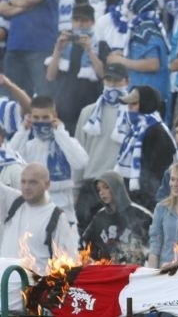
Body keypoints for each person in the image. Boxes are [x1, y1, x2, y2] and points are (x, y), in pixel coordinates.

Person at [9, 96, 88, 225]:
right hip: (33, 215)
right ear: (30, 118)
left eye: (45, 117)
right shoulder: (28, 146)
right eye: (36, 118)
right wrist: (22, 132)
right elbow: (9, 160)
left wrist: (61, 133)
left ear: (54, 116)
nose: (41, 121)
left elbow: (80, 163)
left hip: (63, 215)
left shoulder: (67, 143)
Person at [0, 0, 59, 97]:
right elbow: (2, 8)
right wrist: (23, 6)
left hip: (40, 47)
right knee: (10, 98)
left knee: (43, 96)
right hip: (14, 47)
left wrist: (15, 3)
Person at [74, 63, 129, 233]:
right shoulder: (88, 112)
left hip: (119, 185)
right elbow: (77, 152)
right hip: (91, 184)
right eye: (108, 79)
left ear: (126, 81)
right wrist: (75, 189)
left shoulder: (132, 114)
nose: (112, 84)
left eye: (116, 80)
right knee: (85, 240)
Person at [0, 163, 79, 274]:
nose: (26, 187)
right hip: (3, 286)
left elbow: (69, 263)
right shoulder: (13, 202)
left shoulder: (56, 217)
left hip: (32, 288)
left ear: (47, 185)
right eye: (23, 181)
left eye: (33, 182)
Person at [115, 85, 178, 210]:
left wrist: (146, 202)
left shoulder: (156, 132)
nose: (129, 109)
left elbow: (156, 176)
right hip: (135, 198)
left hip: (149, 202)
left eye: (133, 104)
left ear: (146, 104)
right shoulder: (136, 130)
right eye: (128, 105)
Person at [44, 4, 105, 134]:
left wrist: (89, 50)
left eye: (84, 20)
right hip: (63, 106)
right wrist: (58, 50)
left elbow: (103, 75)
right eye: (76, 20)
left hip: (88, 108)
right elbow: (50, 76)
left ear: (92, 22)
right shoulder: (64, 43)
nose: (79, 24)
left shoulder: (100, 44)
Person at [107, 0, 171, 102]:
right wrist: (123, 54)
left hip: (148, 96)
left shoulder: (145, 29)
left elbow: (153, 64)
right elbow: (142, 54)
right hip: (146, 93)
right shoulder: (150, 25)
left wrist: (121, 61)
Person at [81, 170, 153, 264]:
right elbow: (85, 242)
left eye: (106, 188)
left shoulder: (141, 215)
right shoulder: (100, 217)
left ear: (117, 188)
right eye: (99, 189)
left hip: (133, 272)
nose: (102, 193)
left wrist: (142, 255)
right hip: (107, 272)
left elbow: (155, 244)